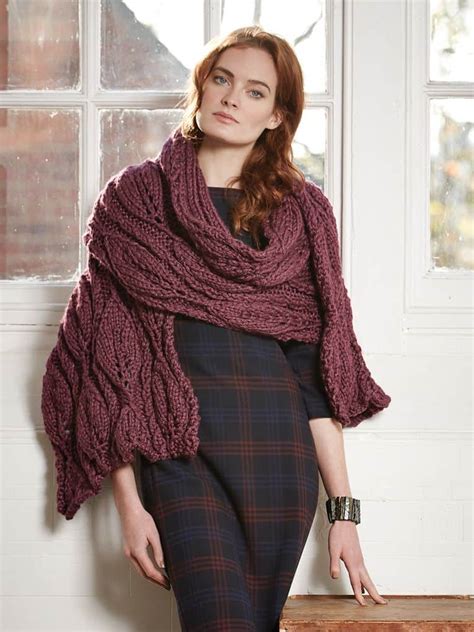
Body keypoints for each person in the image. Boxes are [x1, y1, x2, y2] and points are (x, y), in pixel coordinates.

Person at [41, 26, 390, 632]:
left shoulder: (300, 213)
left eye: (256, 91)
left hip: (276, 455)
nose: (232, 98)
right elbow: (106, 364)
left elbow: (316, 381)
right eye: (223, 79)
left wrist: (344, 513)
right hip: (179, 451)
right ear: (202, 86)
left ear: (276, 116)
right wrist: (129, 504)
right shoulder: (136, 201)